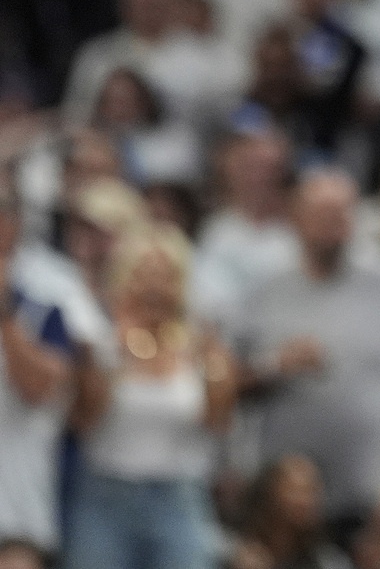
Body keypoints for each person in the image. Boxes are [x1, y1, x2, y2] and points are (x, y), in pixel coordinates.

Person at [229, 169, 380, 544]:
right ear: (295, 217)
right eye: (322, 212)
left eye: (341, 212)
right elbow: (229, 386)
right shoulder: (262, 296)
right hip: (284, 507)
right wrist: (274, 366)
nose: (333, 223)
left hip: (374, 497)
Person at [63, 224, 237, 569]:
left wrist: (214, 365)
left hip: (179, 495)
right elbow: (83, 421)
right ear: (122, 282)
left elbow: (218, 422)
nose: (154, 287)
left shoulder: (202, 350)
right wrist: (113, 354)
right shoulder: (100, 345)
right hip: (106, 497)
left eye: (166, 277)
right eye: (143, 275)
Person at [0, 174, 75, 557]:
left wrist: (4, 313)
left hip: (17, 513)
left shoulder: (45, 301)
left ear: (12, 225)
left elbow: (40, 388)